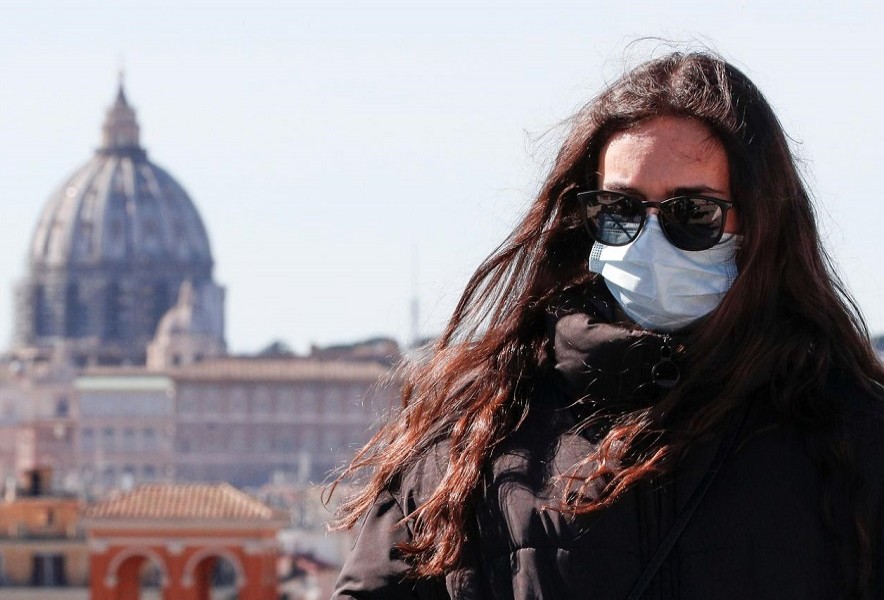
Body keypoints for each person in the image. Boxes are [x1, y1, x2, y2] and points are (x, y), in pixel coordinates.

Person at [328, 51, 884, 599]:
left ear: (761, 225)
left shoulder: (852, 433)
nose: (649, 239)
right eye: (620, 210)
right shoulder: (478, 436)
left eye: (692, 212)